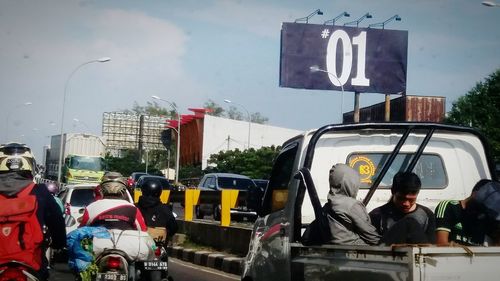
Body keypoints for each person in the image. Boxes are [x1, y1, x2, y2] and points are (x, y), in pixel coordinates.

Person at [0, 143, 66, 280]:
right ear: (30, 165)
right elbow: (57, 221)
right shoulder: (40, 191)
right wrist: (59, 244)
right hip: (30, 266)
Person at [302, 164, 380, 245]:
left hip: (335, 251)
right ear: (350, 183)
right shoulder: (352, 205)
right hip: (355, 252)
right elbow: (372, 237)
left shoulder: (328, 206)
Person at [369, 171, 436, 244]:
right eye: (401, 199)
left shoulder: (427, 214)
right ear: (392, 192)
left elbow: (430, 246)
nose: (406, 204)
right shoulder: (377, 215)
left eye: (411, 200)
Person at [435, 179, 492, 246]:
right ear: (475, 193)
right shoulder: (450, 207)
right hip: (451, 255)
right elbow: (441, 244)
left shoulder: (487, 216)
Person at [79, 176, 147, 231]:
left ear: (102, 189)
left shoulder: (91, 207)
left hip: (98, 246)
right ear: (123, 189)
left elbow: (81, 230)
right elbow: (143, 230)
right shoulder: (133, 208)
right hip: (127, 246)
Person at [136, 178, 178, 242]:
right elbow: (173, 228)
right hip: (158, 245)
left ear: (143, 191)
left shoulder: (133, 208)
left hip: (137, 244)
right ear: (159, 192)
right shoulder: (165, 210)